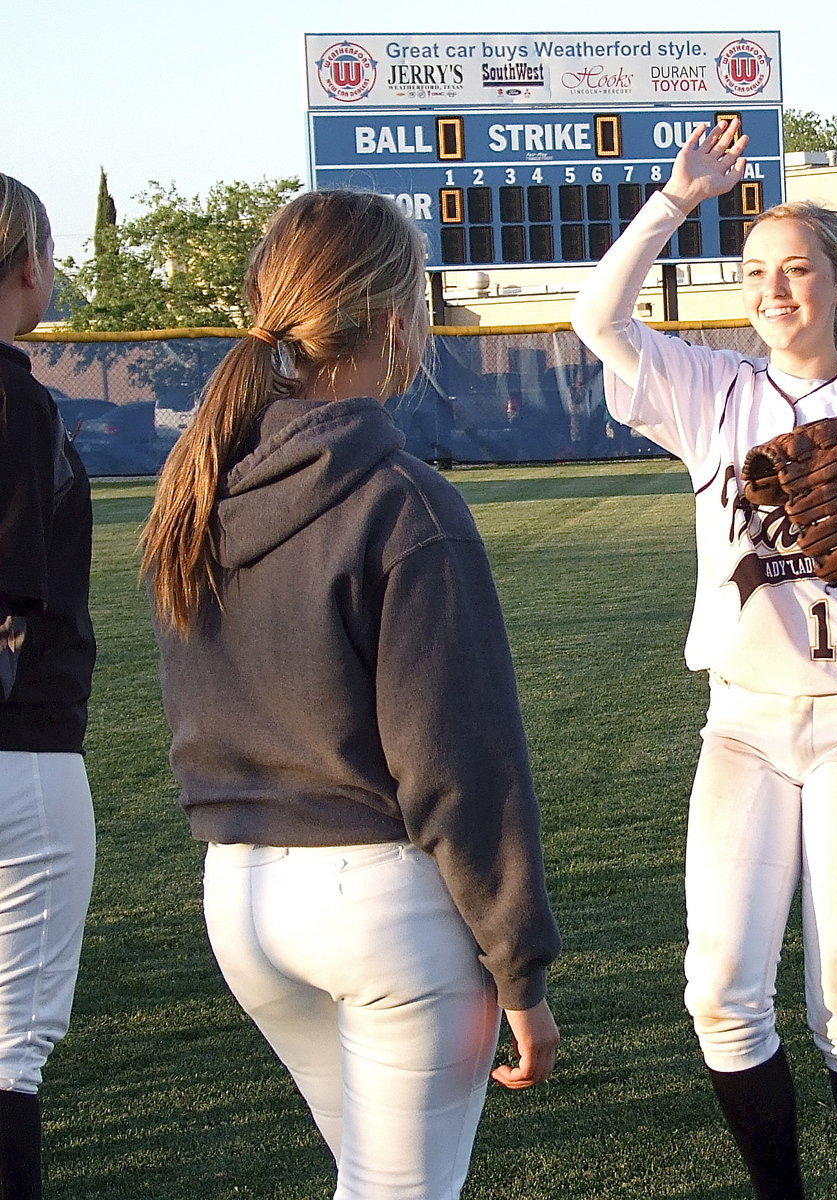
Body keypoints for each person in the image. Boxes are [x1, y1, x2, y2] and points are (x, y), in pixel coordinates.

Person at [572, 122, 837, 1200]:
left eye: (796, 268)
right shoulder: (710, 393)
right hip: (744, 720)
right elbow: (595, 317)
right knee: (718, 990)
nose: (773, 288)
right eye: (755, 271)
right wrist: (671, 204)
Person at [140, 189, 561, 1200]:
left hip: (240, 903)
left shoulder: (199, 485)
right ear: (388, 317)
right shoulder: (404, 501)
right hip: (377, 907)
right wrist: (522, 972)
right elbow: (462, 765)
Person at [0, 174, 97, 1199]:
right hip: (19, 756)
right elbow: (13, 600)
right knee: (7, 1058)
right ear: (30, 263)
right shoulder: (13, 402)